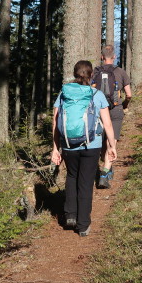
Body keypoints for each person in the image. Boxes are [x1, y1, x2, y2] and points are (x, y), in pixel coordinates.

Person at [51, 60, 117, 237]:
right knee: (86, 183)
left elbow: (56, 121)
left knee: (72, 177)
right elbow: (108, 124)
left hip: (69, 144)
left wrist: (55, 148)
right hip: (92, 144)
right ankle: (83, 224)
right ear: (91, 75)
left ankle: (70, 215)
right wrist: (111, 146)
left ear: (75, 73)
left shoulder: (64, 93)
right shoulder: (96, 94)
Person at [91, 44, 132, 189]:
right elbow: (129, 94)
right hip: (115, 110)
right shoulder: (120, 71)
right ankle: (104, 173)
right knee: (111, 142)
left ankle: (103, 166)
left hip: (97, 111)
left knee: (101, 142)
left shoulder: (94, 71)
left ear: (102, 57)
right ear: (114, 57)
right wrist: (125, 104)